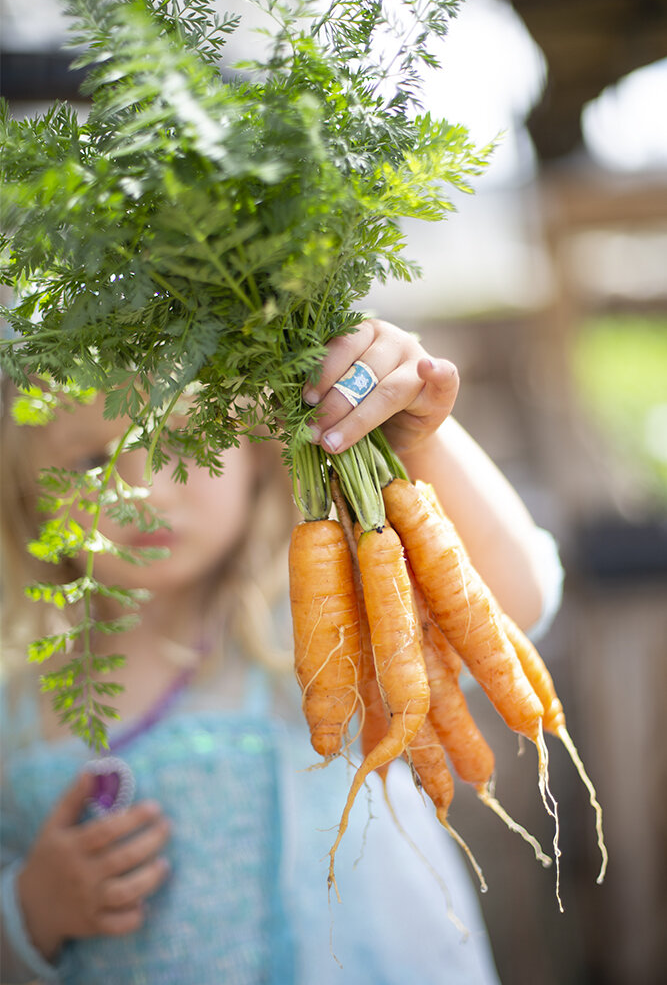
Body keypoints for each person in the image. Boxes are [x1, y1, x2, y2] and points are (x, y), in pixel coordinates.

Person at [0, 318, 563, 984]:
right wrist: (28, 910)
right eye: (93, 460)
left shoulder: (308, 618)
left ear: (253, 454)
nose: (145, 491)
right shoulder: (13, 695)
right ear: (25, 485)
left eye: (182, 443)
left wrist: (421, 440)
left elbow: (514, 603)